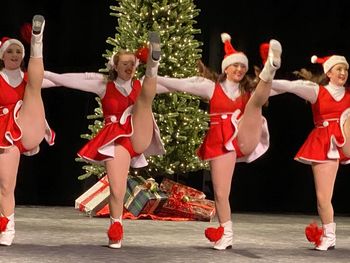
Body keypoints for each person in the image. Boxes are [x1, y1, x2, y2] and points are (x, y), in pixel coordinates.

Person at [155, 33, 282, 250]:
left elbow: (282, 89)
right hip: (221, 141)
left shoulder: (246, 89)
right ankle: (227, 233)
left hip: (245, 134)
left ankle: (270, 69)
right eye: (235, 66)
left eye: (243, 67)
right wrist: (153, 80)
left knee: (254, 102)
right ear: (226, 68)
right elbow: (181, 84)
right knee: (222, 192)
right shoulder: (210, 87)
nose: (240, 70)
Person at [43, 32, 165, 249]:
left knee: (146, 96)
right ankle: (115, 228)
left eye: (133, 64)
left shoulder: (139, 84)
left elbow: (179, 85)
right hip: (116, 139)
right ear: (115, 66)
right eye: (125, 63)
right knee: (117, 190)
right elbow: (72, 79)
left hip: (139, 131)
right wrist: (44, 76)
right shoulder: (103, 84)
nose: (129, 67)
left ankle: (153, 65)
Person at [270, 54, 350, 251]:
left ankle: (329, 235)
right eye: (338, 69)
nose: (343, 73)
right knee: (323, 197)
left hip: (345, 143)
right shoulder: (317, 91)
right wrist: (265, 83)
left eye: (345, 69)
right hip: (324, 145)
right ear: (328, 72)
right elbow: (290, 86)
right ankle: (329, 235)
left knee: (324, 197)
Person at [0, 15, 54, 246]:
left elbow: (64, 80)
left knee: (34, 86)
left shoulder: (28, 77)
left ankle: (37, 40)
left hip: (28, 124)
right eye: (10, 51)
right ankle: (7, 224)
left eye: (18, 52)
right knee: (5, 184)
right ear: (2, 56)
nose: (14, 55)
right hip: (5, 135)